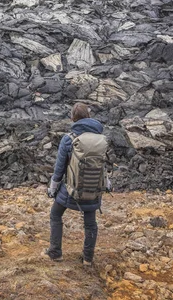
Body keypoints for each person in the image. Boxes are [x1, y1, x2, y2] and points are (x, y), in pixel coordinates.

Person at [44, 102, 104, 266]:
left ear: (73, 118)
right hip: (93, 188)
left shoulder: (68, 138)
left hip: (71, 189)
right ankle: (88, 258)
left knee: (56, 215)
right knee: (90, 224)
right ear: (89, 116)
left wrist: (52, 188)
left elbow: (59, 169)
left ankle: (55, 252)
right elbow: (103, 165)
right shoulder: (101, 139)